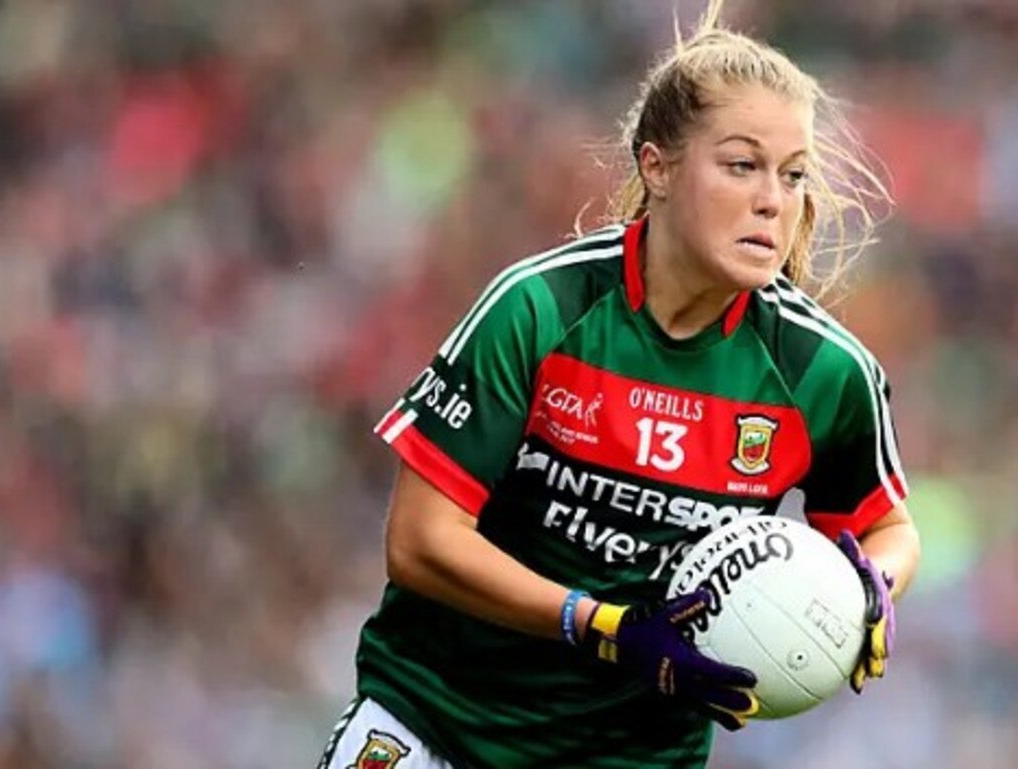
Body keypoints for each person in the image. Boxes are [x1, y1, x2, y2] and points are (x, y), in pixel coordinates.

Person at [317, 2, 921, 767]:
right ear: (656, 166)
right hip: (437, 724)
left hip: (630, 758)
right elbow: (420, 542)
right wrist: (599, 622)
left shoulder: (822, 371)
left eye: (793, 174)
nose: (775, 199)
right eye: (742, 165)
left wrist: (872, 592)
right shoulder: (539, 310)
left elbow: (889, 530)